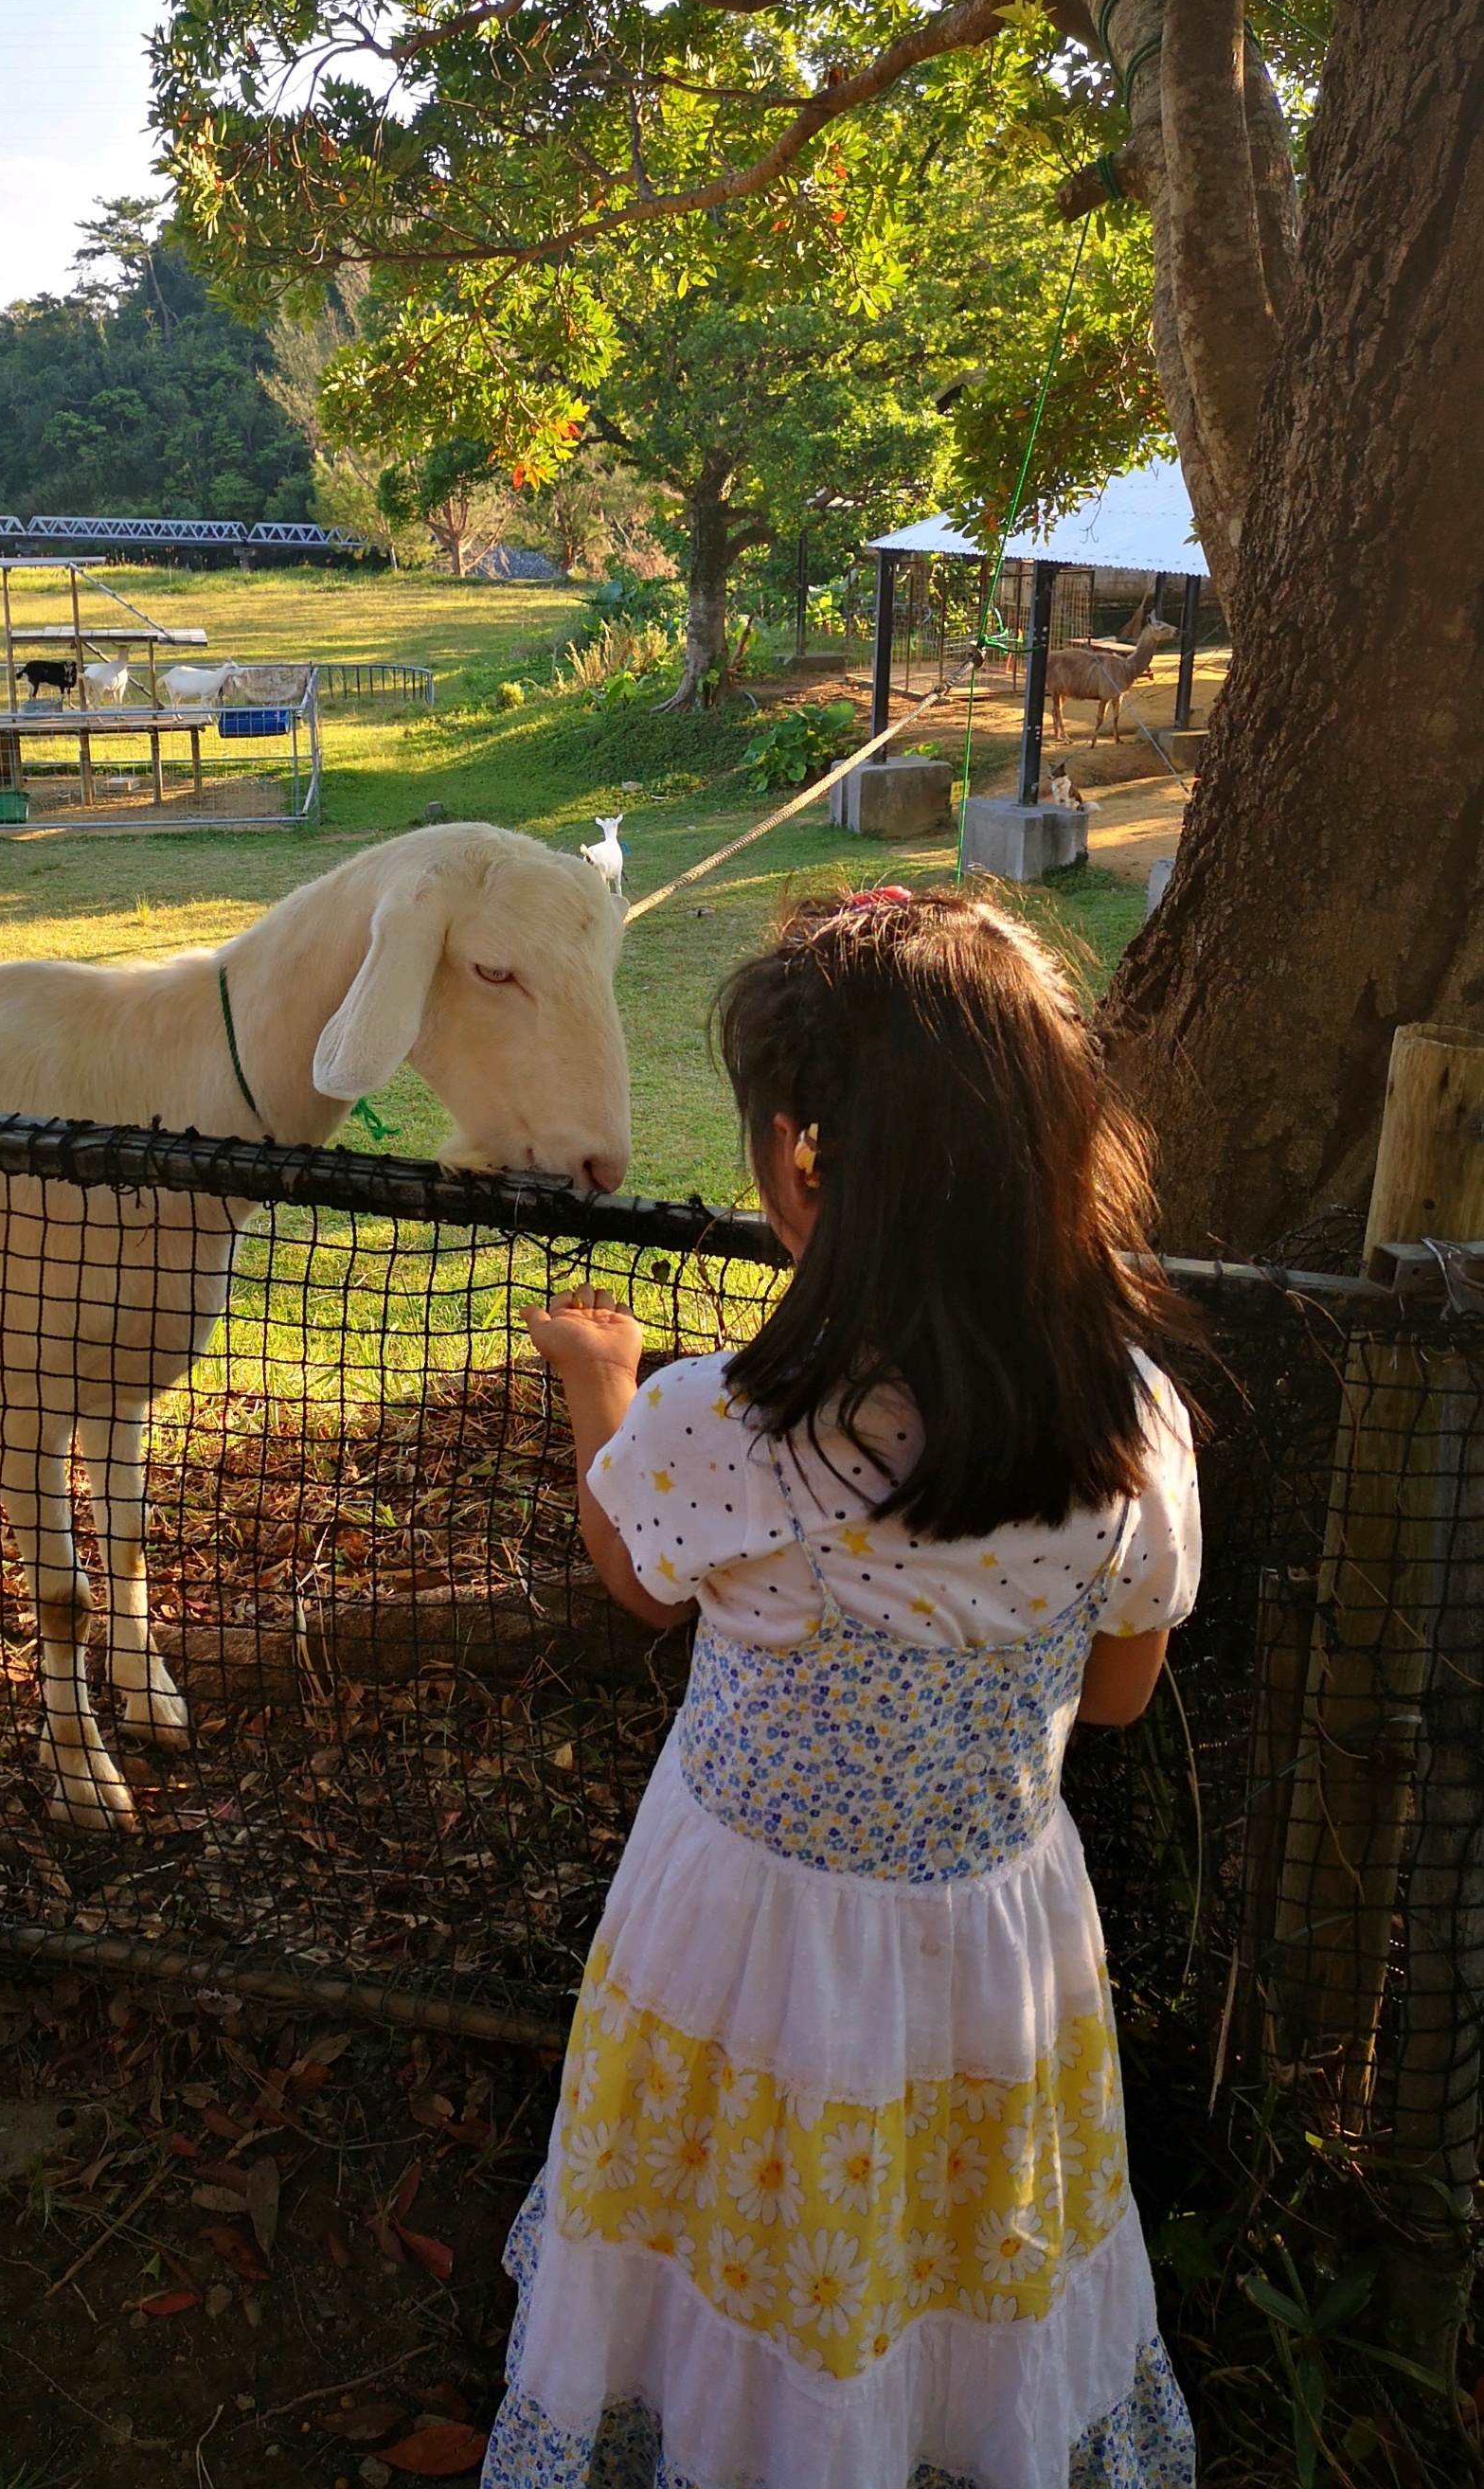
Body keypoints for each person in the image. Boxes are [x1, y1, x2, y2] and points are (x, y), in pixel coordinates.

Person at [488, 887, 1201, 2489]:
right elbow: (1118, 1698)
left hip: (742, 1930)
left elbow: (634, 1575)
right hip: (994, 1939)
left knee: (736, 2216)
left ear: (801, 1161)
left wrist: (598, 1389)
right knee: (953, 2233)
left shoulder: (722, 1426)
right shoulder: (1137, 1421)